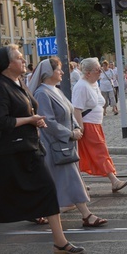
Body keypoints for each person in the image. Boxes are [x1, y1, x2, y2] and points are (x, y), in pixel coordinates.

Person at [0, 45, 84, 254]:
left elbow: (26, 111)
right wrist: (30, 120)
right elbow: (0, 122)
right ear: (7, 64)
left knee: (48, 190)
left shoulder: (18, 83)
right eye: (19, 58)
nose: (24, 61)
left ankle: (60, 242)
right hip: (5, 153)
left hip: (28, 149)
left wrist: (36, 119)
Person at [29, 58, 107, 228]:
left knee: (52, 182)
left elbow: (70, 111)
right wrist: (70, 134)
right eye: (59, 70)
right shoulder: (42, 93)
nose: (62, 73)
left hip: (64, 144)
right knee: (71, 178)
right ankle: (87, 215)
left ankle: (37, 211)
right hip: (54, 144)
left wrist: (77, 127)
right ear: (48, 73)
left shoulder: (55, 90)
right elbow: (48, 121)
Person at [72, 58, 127, 193]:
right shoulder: (81, 86)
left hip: (95, 124)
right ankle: (114, 180)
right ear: (87, 73)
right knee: (100, 153)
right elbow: (77, 109)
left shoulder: (94, 84)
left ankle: (78, 183)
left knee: (87, 155)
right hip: (88, 125)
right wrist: (80, 127)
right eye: (97, 70)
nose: (100, 72)